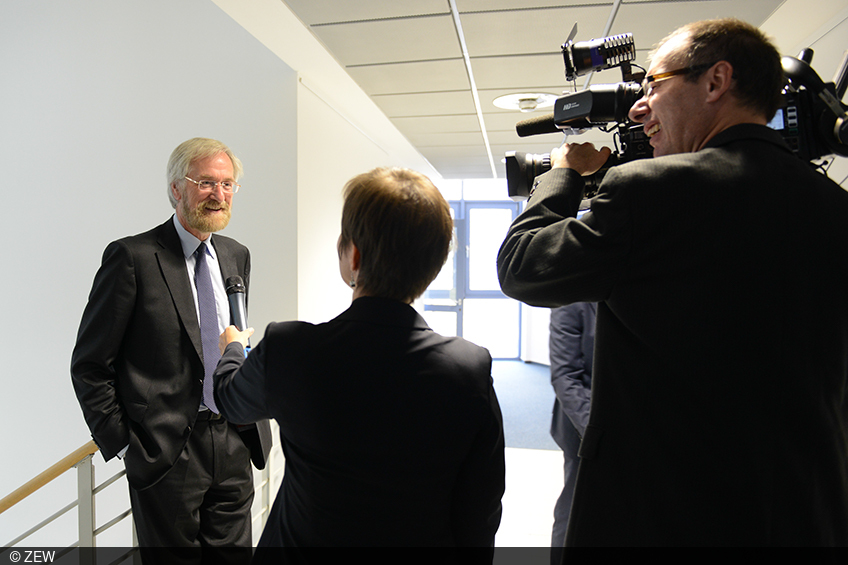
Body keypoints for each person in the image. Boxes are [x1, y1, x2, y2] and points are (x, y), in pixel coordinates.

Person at [497, 18, 848, 546]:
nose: (640, 108)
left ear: (715, 81)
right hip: (802, 516)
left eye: (653, 87)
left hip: (662, 517)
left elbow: (522, 267)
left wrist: (561, 174)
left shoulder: (649, 190)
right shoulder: (833, 206)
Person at [213, 167, 505, 551]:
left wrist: (233, 348)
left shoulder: (292, 348)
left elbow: (231, 401)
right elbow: (479, 512)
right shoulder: (469, 370)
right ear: (434, 267)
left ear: (354, 255)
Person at [71, 138, 272, 561]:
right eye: (205, 183)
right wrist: (127, 446)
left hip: (234, 437)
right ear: (176, 189)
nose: (219, 195)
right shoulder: (132, 257)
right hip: (166, 453)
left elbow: (232, 340)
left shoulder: (237, 255)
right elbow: (90, 364)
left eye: (228, 184)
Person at [548, 301, 595, 562]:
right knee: (574, 506)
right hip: (582, 426)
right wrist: (595, 431)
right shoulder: (571, 300)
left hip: (629, 423)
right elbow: (565, 376)